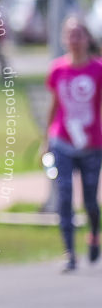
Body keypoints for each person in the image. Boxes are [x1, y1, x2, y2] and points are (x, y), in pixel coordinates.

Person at [44, 16, 102, 272]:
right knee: (64, 195)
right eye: (70, 34)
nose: (75, 40)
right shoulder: (57, 70)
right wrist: (47, 138)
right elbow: (55, 105)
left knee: (90, 200)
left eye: (79, 34)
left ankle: (93, 234)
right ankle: (70, 253)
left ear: (88, 38)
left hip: (91, 144)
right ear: (64, 39)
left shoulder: (98, 70)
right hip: (62, 141)